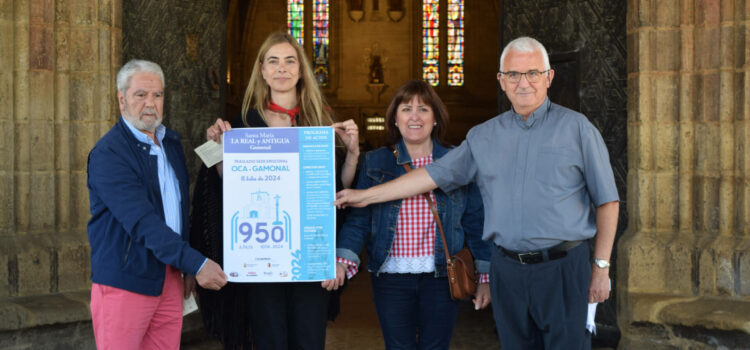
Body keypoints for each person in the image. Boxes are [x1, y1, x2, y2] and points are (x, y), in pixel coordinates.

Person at [334, 36, 620, 349]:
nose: (523, 82)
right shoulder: (483, 136)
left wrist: (601, 267)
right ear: (501, 81)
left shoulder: (578, 129)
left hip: (563, 267)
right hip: (508, 270)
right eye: (513, 74)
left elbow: (607, 201)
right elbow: (429, 176)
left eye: (533, 73)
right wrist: (362, 196)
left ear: (549, 77)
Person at [191, 31, 359, 350]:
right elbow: (227, 186)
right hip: (261, 257)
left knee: (309, 340)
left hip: (309, 257)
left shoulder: (320, 124)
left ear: (300, 70)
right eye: (273, 61)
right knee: (268, 341)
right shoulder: (243, 124)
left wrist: (352, 153)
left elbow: (341, 190)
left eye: (289, 61)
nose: (281, 68)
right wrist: (217, 150)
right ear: (263, 71)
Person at [321, 80, 492, 349]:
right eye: (406, 109)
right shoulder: (375, 162)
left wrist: (485, 278)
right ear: (395, 120)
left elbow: (475, 221)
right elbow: (359, 220)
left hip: (442, 276)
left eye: (423, 109)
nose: (414, 116)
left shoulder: (457, 160)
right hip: (391, 277)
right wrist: (342, 260)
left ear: (435, 118)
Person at [86, 59, 228, 350]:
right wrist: (196, 263)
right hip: (126, 282)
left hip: (170, 280)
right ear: (121, 98)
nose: (150, 103)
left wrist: (185, 268)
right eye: (141, 95)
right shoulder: (109, 153)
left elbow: (179, 211)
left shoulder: (170, 143)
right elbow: (142, 221)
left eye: (158, 95)